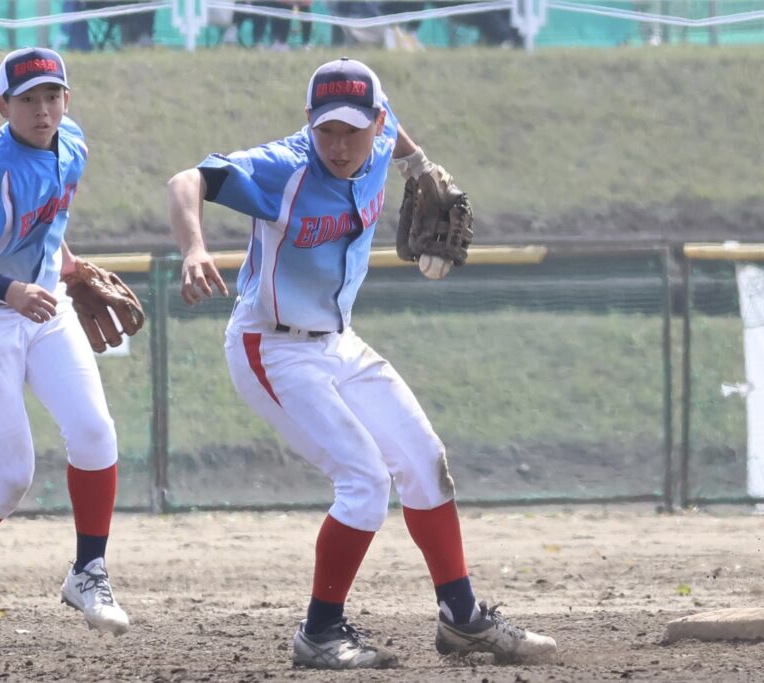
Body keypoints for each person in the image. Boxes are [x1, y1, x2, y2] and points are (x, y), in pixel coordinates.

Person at [166, 57, 558, 669]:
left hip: (339, 341)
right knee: (365, 481)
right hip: (271, 346)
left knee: (424, 460)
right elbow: (185, 180)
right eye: (326, 129)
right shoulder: (283, 167)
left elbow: (395, 129)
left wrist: (416, 163)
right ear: (308, 121)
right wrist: (194, 247)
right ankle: (319, 633)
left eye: (353, 130)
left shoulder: (381, 135)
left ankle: (461, 619)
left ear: (375, 123)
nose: (339, 145)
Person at [0, 47, 130, 644]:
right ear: (2, 106)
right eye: (28, 99)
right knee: (11, 474)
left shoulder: (72, 141)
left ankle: (88, 571)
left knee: (94, 432)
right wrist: (11, 290)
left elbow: (46, 219)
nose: (43, 110)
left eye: (53, 96)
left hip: (43, 306)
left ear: (68, 99)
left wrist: (70, 268)